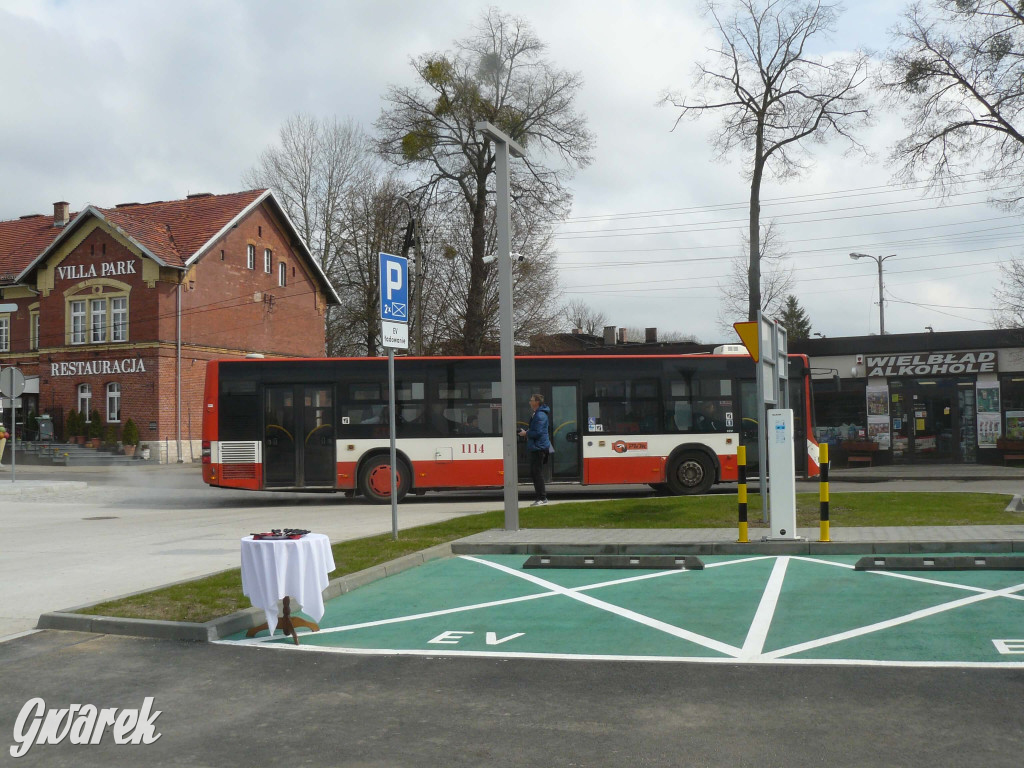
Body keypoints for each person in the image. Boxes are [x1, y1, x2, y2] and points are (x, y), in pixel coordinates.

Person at [518, 393, 551, 506]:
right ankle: (540, 498)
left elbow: (538, 432)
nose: (529, 402)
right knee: (535, 472)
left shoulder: (540, 415)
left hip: (539, 448)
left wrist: (525, 433)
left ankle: (542, 498)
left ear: (537, 402)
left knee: (537, 473)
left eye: (531, 400)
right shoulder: (537, 414)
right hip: (537, 447)